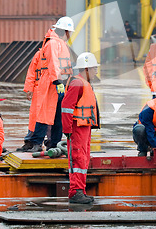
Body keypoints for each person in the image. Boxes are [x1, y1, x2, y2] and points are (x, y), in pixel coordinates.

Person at [17, 16, 74, 152]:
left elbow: (65, 65)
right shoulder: (53, 43)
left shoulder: (59, 43)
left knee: (57, 116)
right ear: (65, 31)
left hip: (60, 84)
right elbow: (53, 63)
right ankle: (37, 143)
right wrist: (57, 81)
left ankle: (53, 143)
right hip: (52, 84)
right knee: (44, 114)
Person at [61, 52, 100, 204]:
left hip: (84, 126)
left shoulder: (83, 83)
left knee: (83, 159)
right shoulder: (78, 83)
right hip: (77, 127)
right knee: (78, 158)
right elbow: (66, 107)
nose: (96, 71)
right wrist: (67, 129)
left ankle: (80, 191)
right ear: (87, 68)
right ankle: (76, 191)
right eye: (94, 68)